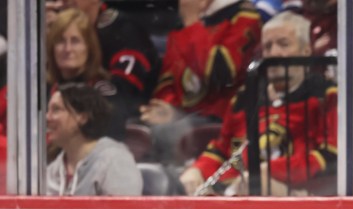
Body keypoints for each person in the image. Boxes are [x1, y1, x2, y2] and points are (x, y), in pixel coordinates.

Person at [178, 12, 337, 196]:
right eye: (268, 46)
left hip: (298, 196)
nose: (274, 53)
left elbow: (330, 157)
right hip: (236, 189)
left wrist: (265, 171)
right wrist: (197, 169)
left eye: (283, 44)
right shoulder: (245, 98)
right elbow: (222, 150)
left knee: (258, 186)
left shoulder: (326, 95)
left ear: (306, 51)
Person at [140, 0, 262, 163]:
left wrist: (192, 24)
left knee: (166, 133)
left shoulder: (245, 18)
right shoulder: (182, 23)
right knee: (137, 128)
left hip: (222, 116)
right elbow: (169, 78)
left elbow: (220, 76)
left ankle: (178, 185)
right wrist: (167, 108)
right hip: (184, 114)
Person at [45, 0, 160, 106]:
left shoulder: (124, 32)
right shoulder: (49, 29)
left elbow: (123, 97)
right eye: (61, 41)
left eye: (75, 41)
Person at [46, 8, 133, 140]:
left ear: (89, 47)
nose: (68, 49)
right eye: (60, 41)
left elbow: (111, 144)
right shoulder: (42, 91)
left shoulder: (103, 93)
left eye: (75, 41)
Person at [45, 83, 142, 196]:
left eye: (56, 109)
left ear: (83, 117)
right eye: (48, 110)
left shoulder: (114, 161)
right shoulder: (54, 168)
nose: (47, 117)